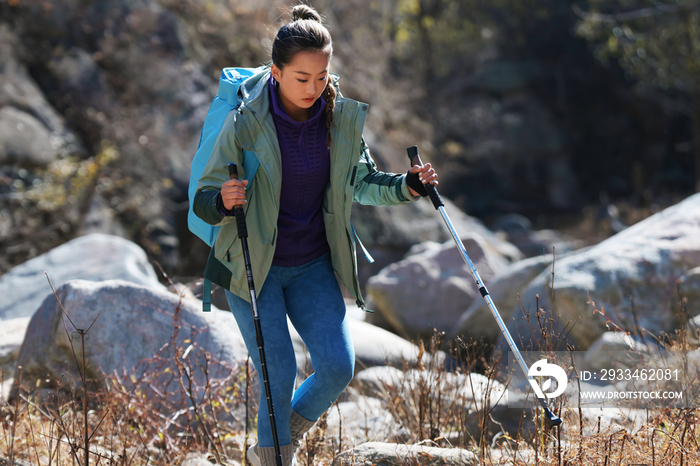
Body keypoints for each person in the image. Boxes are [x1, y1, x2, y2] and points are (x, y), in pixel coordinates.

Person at [193, 4, 438, 466]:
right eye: (301, 78)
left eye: (321, 76)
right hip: (252, 268)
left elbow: (362, 182)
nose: (313, 88)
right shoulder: (245, 122)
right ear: (277, 71)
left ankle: (274, 442)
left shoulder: (335, 118)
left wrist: (409, 185)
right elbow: (202, 196)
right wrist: (223, 199)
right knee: (278, 371)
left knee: (336, 369)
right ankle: (274, 455)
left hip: (311, 265)